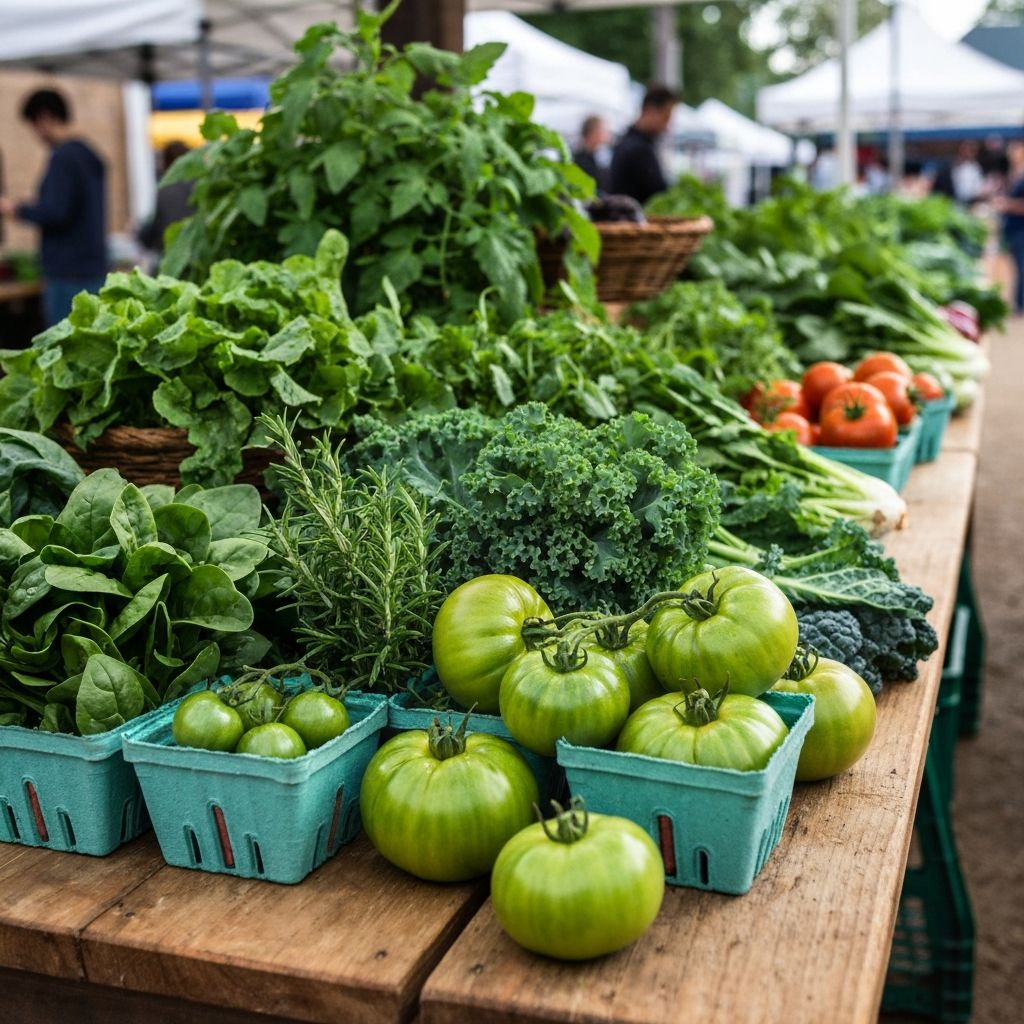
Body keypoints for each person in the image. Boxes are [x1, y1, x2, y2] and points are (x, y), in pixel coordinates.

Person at [0, 89, 107, 327]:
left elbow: (56, 212)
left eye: (33, 126)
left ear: (45, 118)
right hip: (93, 267)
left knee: (63, 349)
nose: (36, 135)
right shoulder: (88, 154)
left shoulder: (63, 158)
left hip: (67, 272)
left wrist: (16, 209)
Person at [610, 85, 678, 205]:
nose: (668, 125)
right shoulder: (637, 149)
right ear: (650, 110)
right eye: (666, 117)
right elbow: (659, 194)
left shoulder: (626, 143)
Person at [138, 141, 196, 258]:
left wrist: (139, 233)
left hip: (170, 255)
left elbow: (155, 229)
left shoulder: (165, 189)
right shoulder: (201, 184)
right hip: (196, 254)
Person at [993, 140, 1024, 316]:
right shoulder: (1015, 175)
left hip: (1020, 229)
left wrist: (1007, 204)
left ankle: (1021, 304)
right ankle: (1019, 302)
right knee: (1016, 268)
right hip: (1012, 228)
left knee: (1022, 267)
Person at [572, 116, 612, 194]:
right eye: (604, 131)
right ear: (594, 132)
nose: (608, 135)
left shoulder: (600, 156)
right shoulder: (579, 161)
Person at [952, 141, 984, 207]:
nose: (969, 153)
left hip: (972, 202)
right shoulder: (955, 166)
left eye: (972, 150)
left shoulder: (975, 167)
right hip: (956, 202)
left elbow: (979, 186)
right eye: (966, 149)